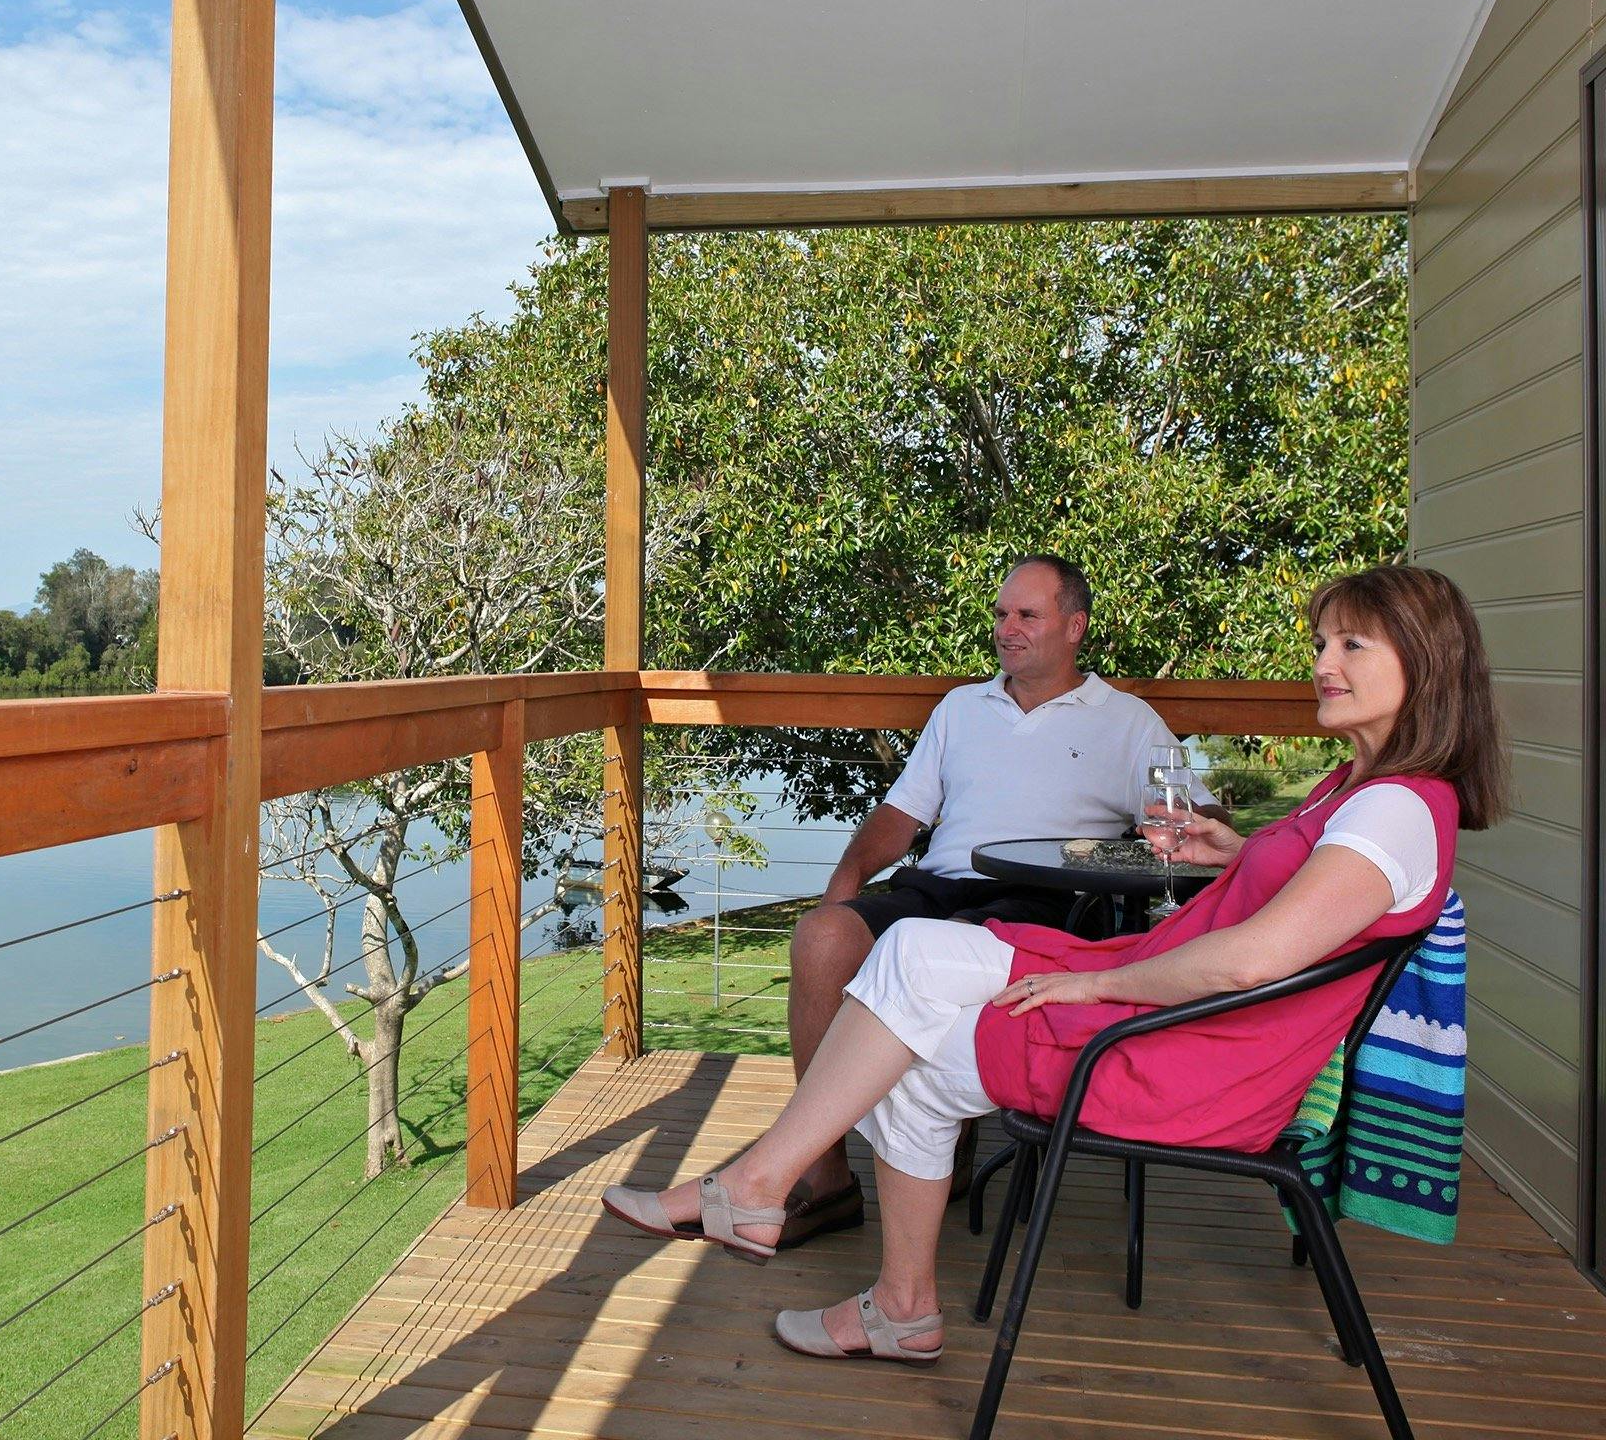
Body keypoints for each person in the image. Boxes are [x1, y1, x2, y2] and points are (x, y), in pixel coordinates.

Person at [603, 564, 1505, 1365]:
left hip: (1185, 1059)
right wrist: (1236, 853)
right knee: (904, 963)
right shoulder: (1363, 793)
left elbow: (1254, 959)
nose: (1322, 663)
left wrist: (1098, 981)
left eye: (1352, 643)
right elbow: (1317, 899)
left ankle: (846, 1260)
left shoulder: (1391, 809)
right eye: (1320, 641)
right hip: (1189, 1025)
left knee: (911, 1036)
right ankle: (802, 1216)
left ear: (1426, 663)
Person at [781, 554, 1221, 1239]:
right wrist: (840, 891)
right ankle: (827, 1177)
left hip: (1048, 902)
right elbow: (901, 817)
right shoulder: (962, 707)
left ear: (1074, 627)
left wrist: (1152, 840)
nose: (1006, 629)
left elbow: (1200, 826)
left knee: (927, 957)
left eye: (1027, 615)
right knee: (822, 939)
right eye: (1000, 614)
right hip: (939, 882)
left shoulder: (1130, 723)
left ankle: (939, 1126)